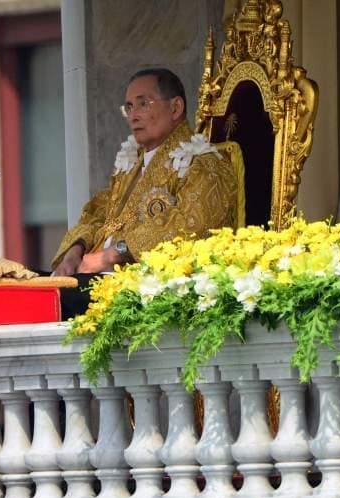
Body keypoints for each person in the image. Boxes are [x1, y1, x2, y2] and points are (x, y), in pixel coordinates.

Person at [52, 68, 237, 318]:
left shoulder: (204, 165)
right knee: (19, 288)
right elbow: (97, 214)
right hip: (88, 278)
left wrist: (111, 256)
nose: (133, 116)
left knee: (49, 302)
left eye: (143, 104)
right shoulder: (131, 166)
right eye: (128, 107)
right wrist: (74, 252)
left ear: (175, 107)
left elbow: (189, 229)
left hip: (143, 291)